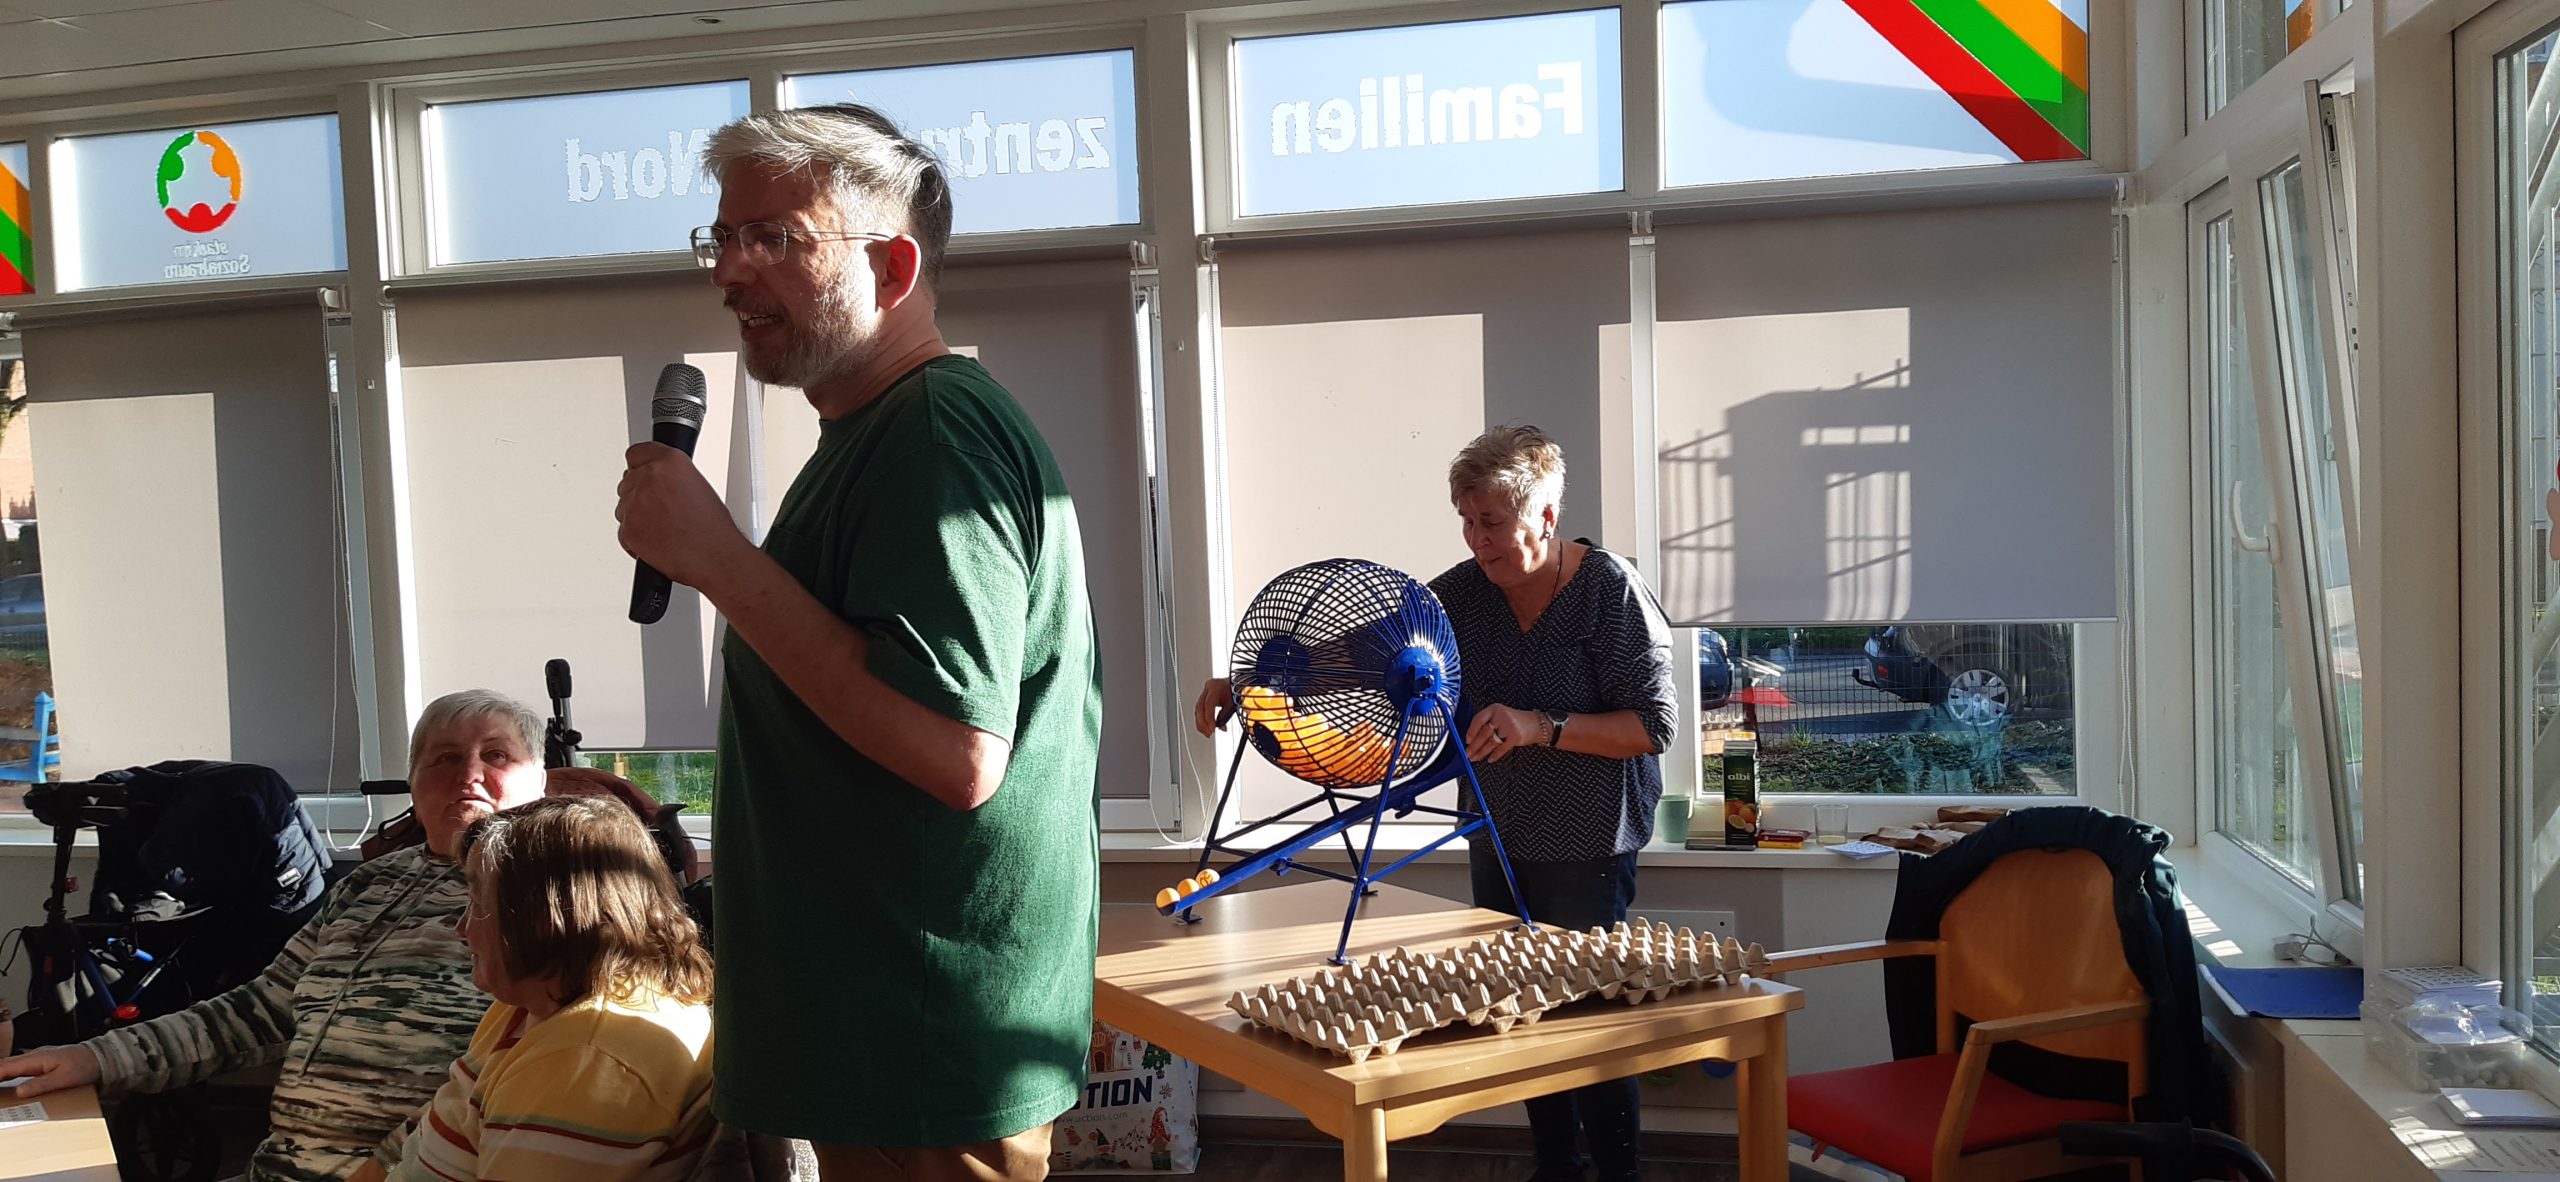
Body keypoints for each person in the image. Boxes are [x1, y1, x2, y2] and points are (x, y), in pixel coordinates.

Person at [613, 102, 1100, 1181]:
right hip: (889, 1042)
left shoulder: (932, 438)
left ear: (891, 266)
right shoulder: (878, 434)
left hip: (914, 1051)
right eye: (723, 237)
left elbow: (955, 750)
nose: (729, 272)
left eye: (774, 238)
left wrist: (721, 561)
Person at [1195, 425, 1677, 1182]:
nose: (1476, 539)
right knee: (1520, 1013)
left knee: (1589, 1022)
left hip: (1589, 841)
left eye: (1492, 522)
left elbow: (1653, 725)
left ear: (1546, 517)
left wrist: (1539, 726)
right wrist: (1251, 682)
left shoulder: (1608, 591)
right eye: (1465, 520)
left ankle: (1620, 1175)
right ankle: (1555, 1167)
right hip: (1499, 831)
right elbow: (1364, 655)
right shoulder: (1461, 594)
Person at [0, 689, 648, 1182]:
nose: (468, 774)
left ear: (541, 781)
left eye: (496, 755)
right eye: (444, 758)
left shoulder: (555, 903)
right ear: (414, 782)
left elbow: (514, 1081)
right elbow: (259, 1010)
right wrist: (92, 1058)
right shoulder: (373, 881)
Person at [358, 795, 716, 1182]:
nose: (460, 928)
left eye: (477, 903)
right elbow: (444, 1122)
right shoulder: (534, 1005)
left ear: (543, 920)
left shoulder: (587, 1061)